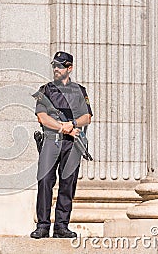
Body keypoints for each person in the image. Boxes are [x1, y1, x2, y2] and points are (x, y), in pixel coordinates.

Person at [30, 51, 93, 239]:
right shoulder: (46, 90)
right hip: (51, 140)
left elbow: (87, 117)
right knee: (45, 182)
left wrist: (73, 125)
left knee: (68, 184)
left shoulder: (79, 90)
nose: (56, 69)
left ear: (69, 68)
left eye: (60, 66)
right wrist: (63, 128)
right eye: (54, 66)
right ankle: (42, 225)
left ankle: (61, 226)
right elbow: (42, 117)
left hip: (72, 144)